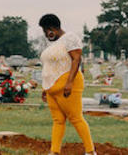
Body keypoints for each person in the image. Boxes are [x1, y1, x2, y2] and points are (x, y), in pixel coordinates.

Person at [39, 13, 96, 155]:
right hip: (51, 88)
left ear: (54, 28)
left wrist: (69, 83)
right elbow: (49, 67)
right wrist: (45, 88)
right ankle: (54, 151)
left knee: (76, 118)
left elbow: (76, 60)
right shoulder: (54, 44)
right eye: (44, 31)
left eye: (47, 30)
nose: (46, 34)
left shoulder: (70, 38)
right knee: (58, 120)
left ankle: (90, 151)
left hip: (67, 86)